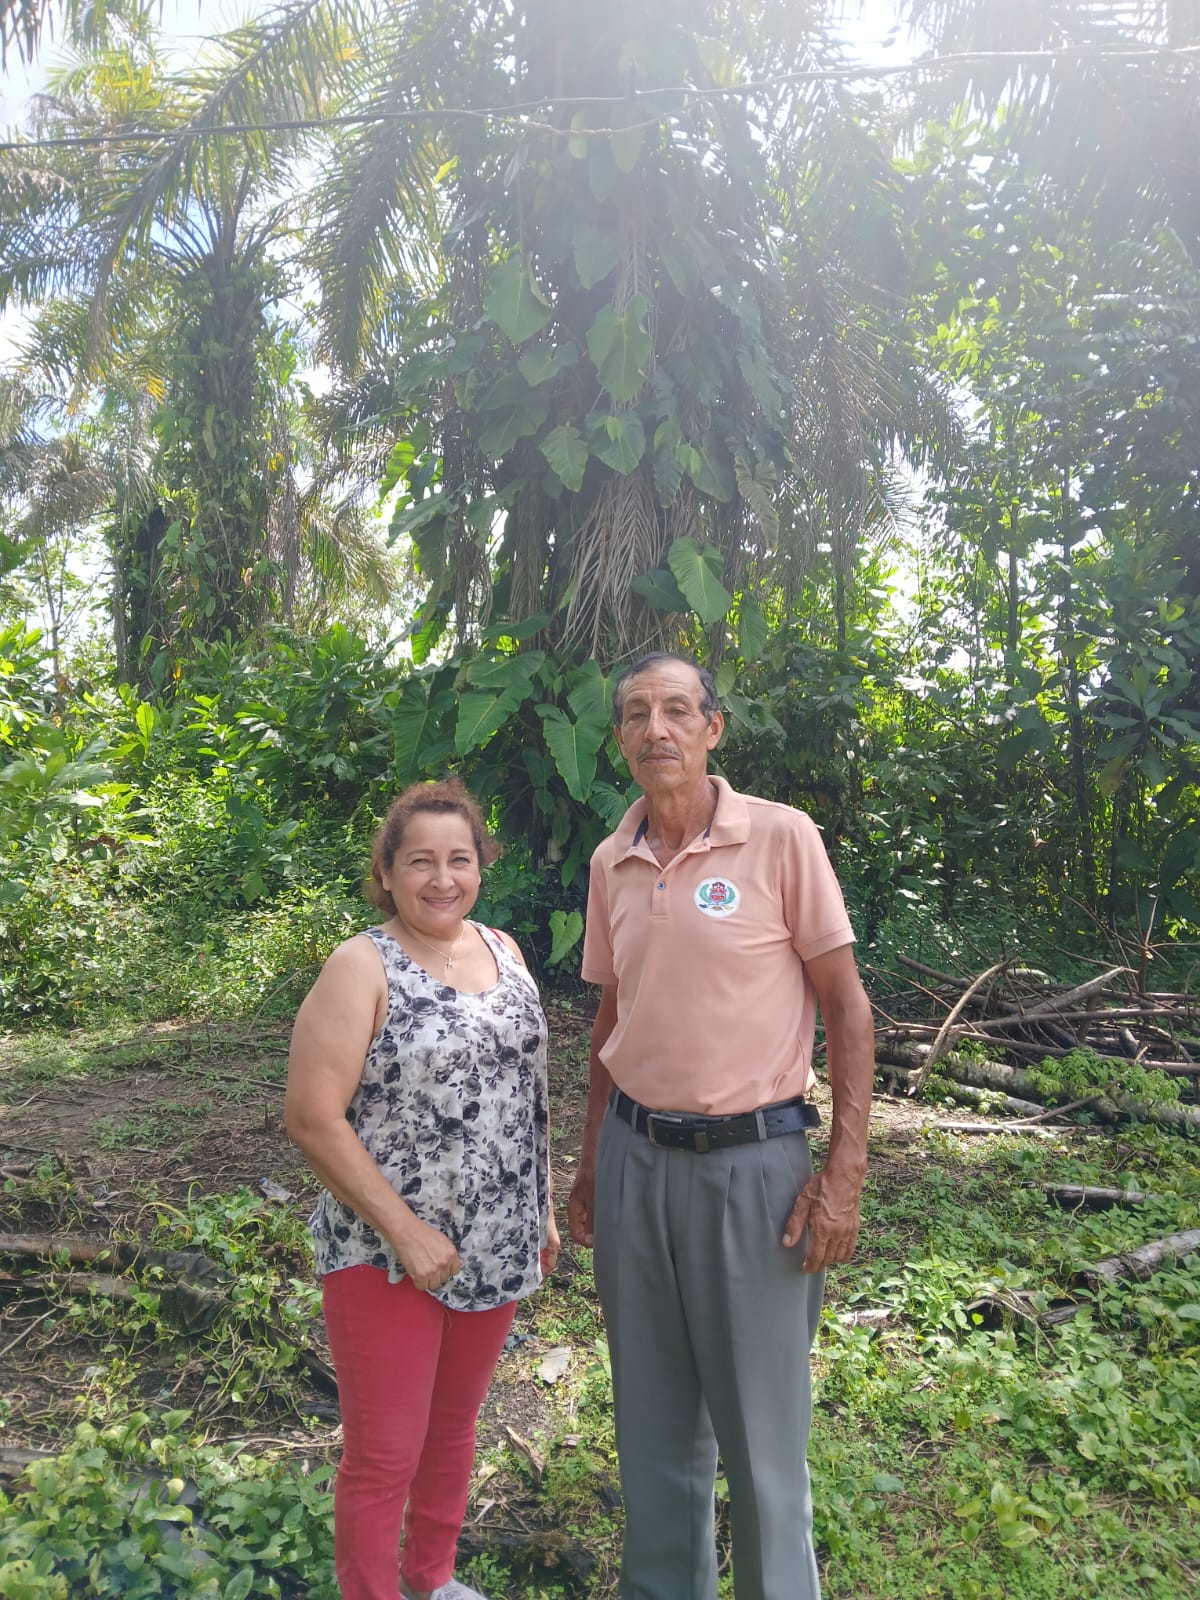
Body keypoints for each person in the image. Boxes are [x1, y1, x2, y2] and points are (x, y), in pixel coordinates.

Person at [567, 654, 874, 1600]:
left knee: (764, 1447)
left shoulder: (780, 837)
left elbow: (847, 1006)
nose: (654, 728)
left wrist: (844, 1172)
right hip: (634, 1160)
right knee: (652, 1432)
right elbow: (612, 1017)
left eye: (675, 710)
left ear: (713, 728)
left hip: (755, 1169)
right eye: (635, 714)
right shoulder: (611, 861)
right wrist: (591, 1161)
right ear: (620, 738)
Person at [286, 778, 558, 1600]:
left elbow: (526, 1093)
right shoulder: (361, 965)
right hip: (385, 1252)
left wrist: (541, 1206)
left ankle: (432, 1579)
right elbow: (312, 1118)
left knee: (452, 1432)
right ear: (387, 872)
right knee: (385, 1453)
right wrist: (405, 1232)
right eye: (420, 862)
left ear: (481, 865)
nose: (443, 879)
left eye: (459, 859)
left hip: (496, 1241)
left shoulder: (506, 950)